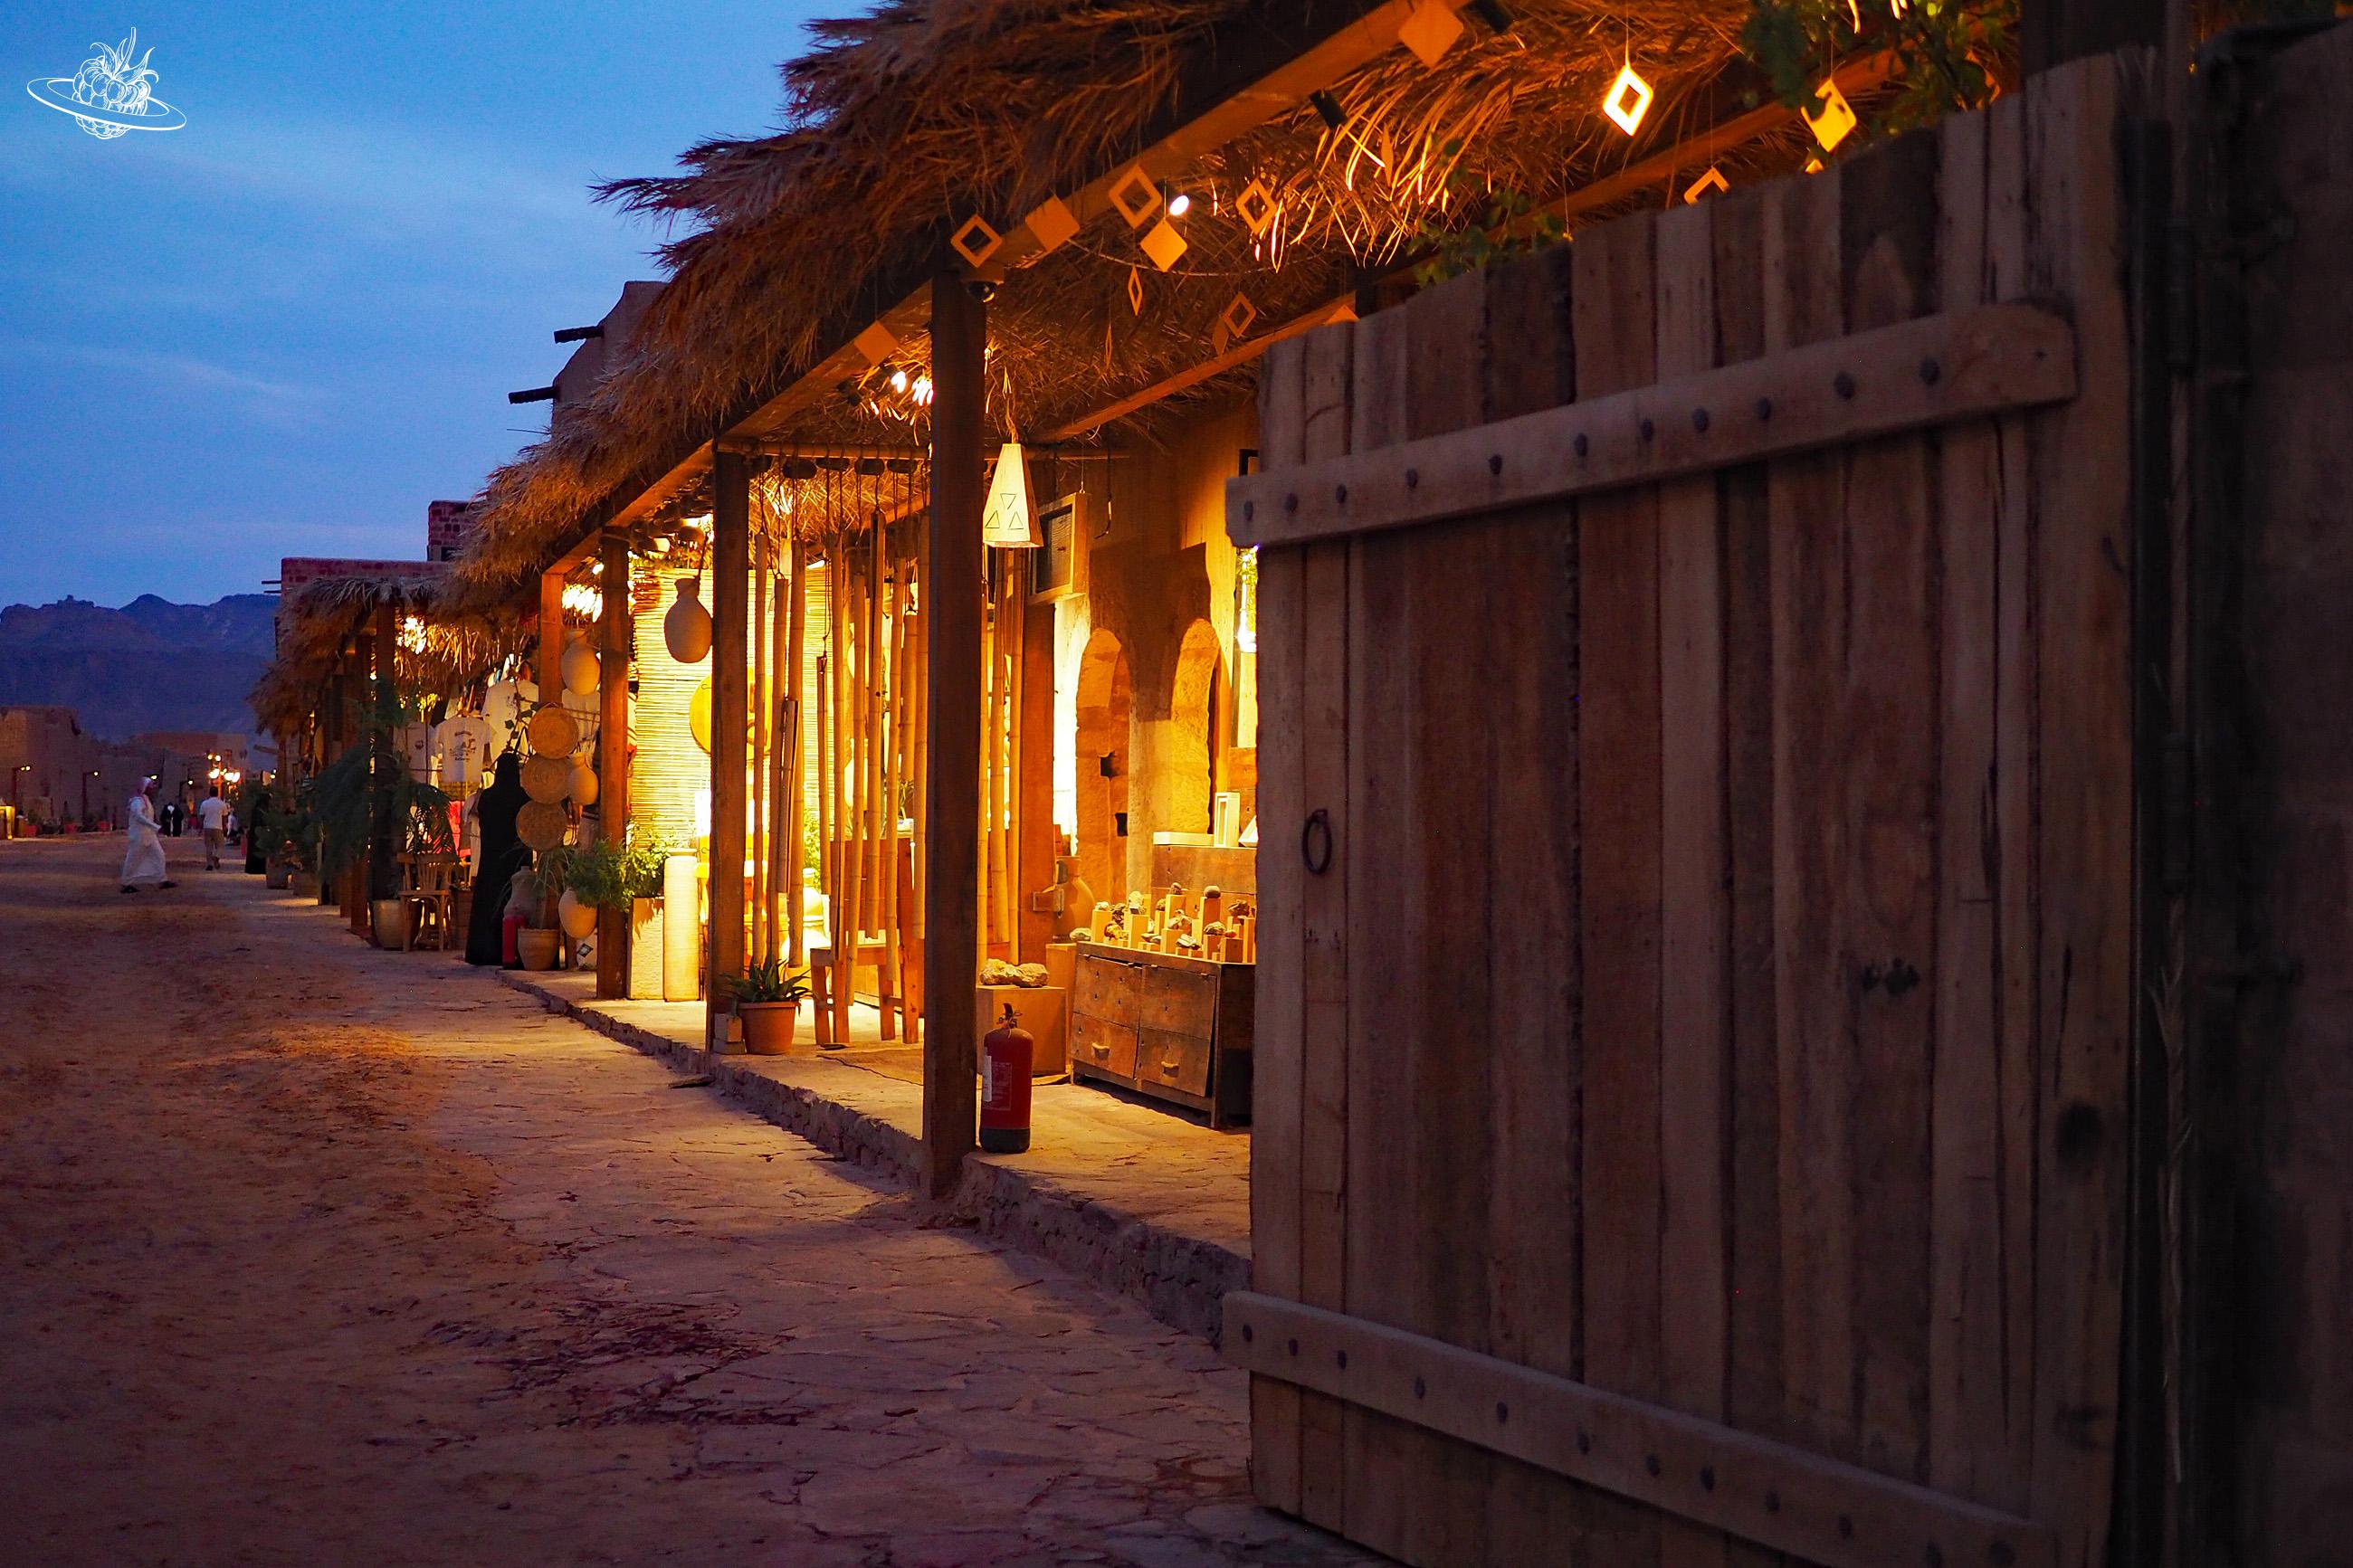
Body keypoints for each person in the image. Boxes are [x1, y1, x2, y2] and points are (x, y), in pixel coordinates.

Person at [464, 751, 529, 966]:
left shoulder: (487, 798)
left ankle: (483, 952)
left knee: (487, 902)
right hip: (516, 862)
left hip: (490, 860)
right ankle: (512, 953)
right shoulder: (523, 797)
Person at [119, 778, 173, 893]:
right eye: (150, 787)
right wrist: (155, 826)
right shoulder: (137, 801)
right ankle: (126, 882)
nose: (153, 789)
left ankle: (162, 879)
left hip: (149, 834)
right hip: (139, 834)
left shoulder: (145, 800)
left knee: (159, 855)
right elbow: (138, 817)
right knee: (133, 858)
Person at [195, 784, 228, 870]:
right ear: (217, 793)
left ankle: (209, 864)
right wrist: (224, 827)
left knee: (209, 847)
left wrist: (200, 828)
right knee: (220, 845)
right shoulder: (222, 804)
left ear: (209, 793)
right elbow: (224, 817)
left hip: (207, 827)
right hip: (218, 827)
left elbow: (201, 816)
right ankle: (216, 856)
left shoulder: (204, 803)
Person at [243, 786, 272, 874]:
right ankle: (259, 868)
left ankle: (253, 868)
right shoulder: (262, 810)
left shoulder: (256, 809)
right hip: (260, 835)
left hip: (255, 835)